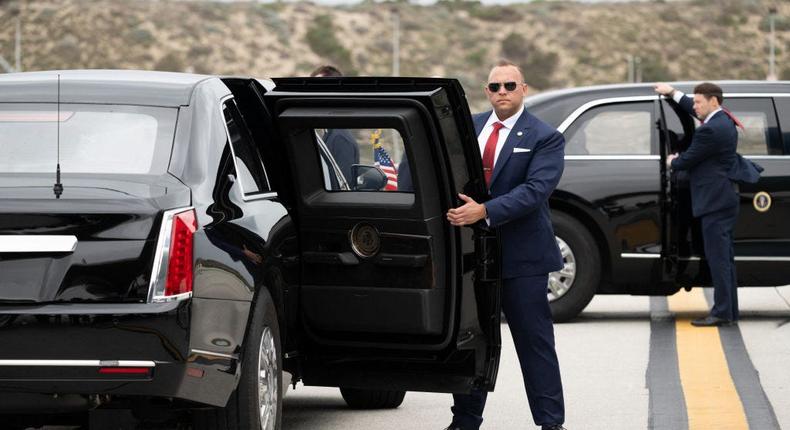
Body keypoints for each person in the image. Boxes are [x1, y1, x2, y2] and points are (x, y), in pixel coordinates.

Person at [445, 60, 567, 430]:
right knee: (471, 342)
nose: (502, 93)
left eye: (509, 86)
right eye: (495, 87)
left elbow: (535, 192)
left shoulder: (544, 136)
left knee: (534, 344)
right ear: (486, 91)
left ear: (524, 89)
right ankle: (465, 420)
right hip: (472, 256)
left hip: (524, 258)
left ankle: (550, 423)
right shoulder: (471, 127)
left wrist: (484, 211)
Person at [655, 82, 744, 326]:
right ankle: (729, 311)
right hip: (724, 198)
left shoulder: (711, 130)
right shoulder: (722, 119)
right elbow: (694, 110)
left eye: (698, 102)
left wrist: (674, 160)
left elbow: (689, 159)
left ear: (713, 101)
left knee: (718, 259)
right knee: (724, 259)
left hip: (715, 202)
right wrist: (673, 93)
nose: (694, 106)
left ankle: (722, 312)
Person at [310, 65, 359, 187]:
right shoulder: (328, 134)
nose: (312, 95)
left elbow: (341, 188)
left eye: (319, 89)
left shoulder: (339, 138)